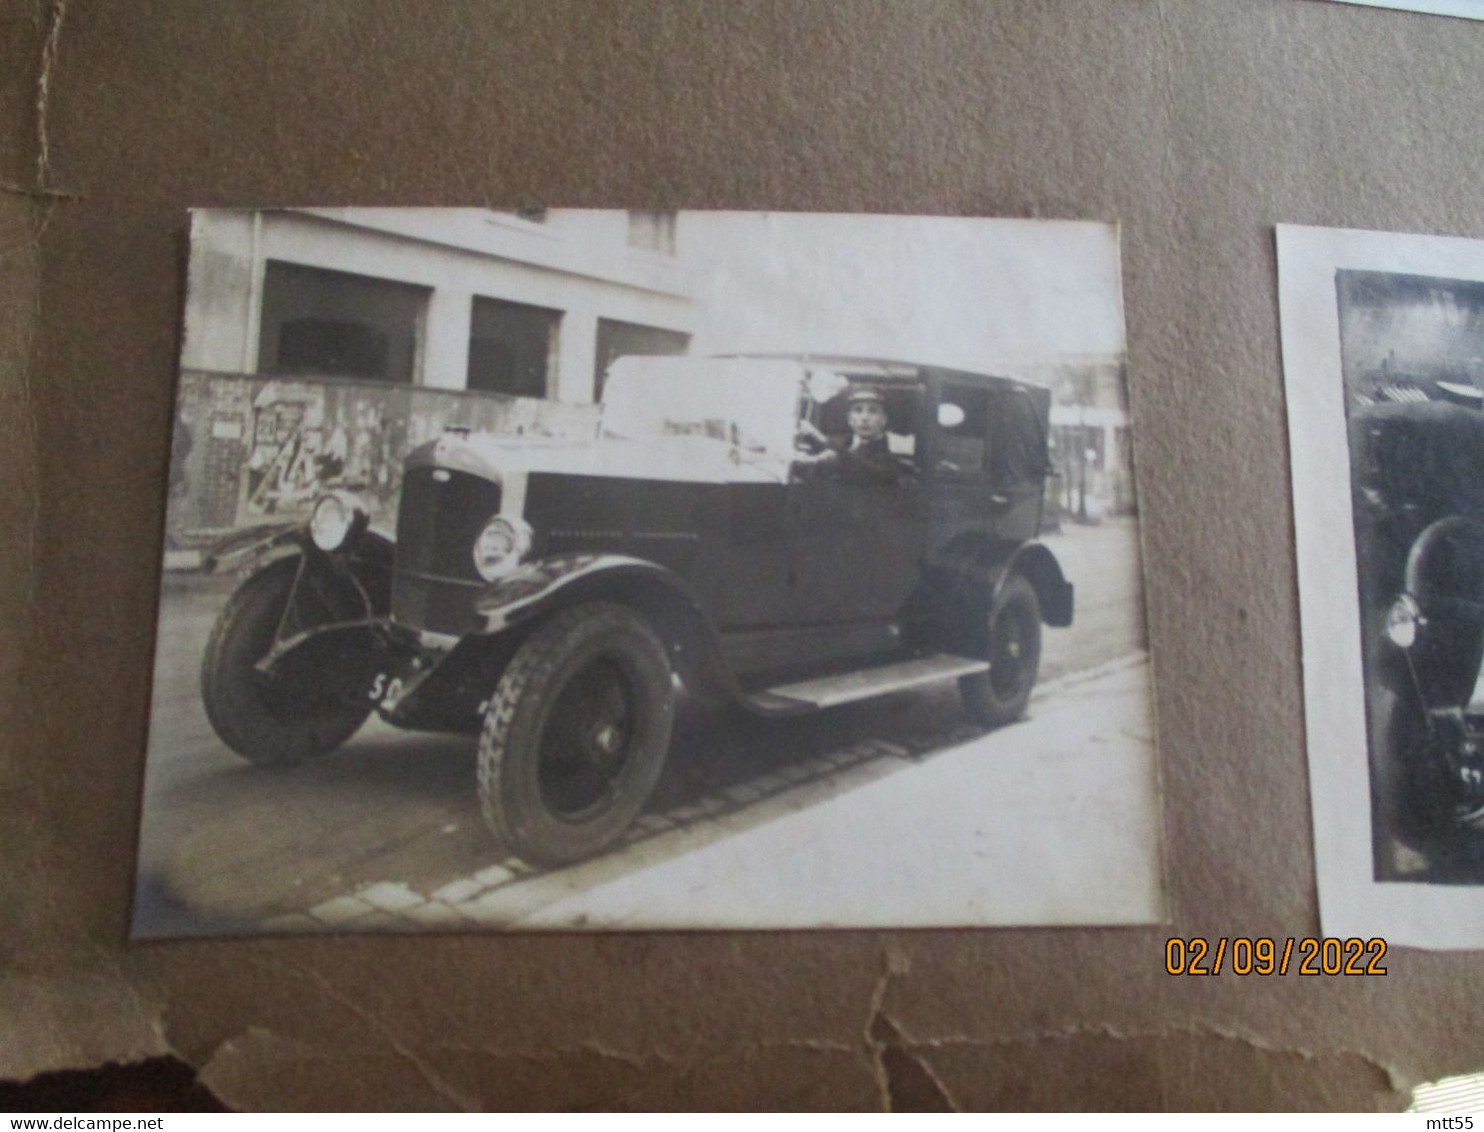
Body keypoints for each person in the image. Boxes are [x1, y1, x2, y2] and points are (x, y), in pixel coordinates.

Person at [795, 386, 908, 484]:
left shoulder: (891, 456)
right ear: (850, 419)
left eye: (873, 411)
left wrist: (819, 438)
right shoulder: (842, 443)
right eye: (858, 410)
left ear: (883, 420)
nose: (864, 418)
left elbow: (865, 470)